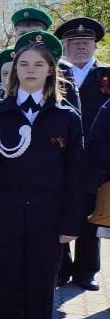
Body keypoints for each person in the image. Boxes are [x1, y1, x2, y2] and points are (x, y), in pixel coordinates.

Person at [0, 31, 83, 319]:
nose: (31, 70)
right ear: (14, 70)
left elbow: (75, 175)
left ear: (51, 71)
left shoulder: (66, 117)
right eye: (23, 64)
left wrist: (70, 222)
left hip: (48, 217)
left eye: (39, 64)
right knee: (4, 282)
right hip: (4, 213)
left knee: (39, 285)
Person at [54, 17, 107, 291]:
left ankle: (86, 272)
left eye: (86, 43)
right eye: (75, 43)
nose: (81, 48)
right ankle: (60, 269)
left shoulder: (106, 75)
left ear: (95, 46)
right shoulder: (52, 73)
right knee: (58, 213)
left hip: (95, 161)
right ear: (64, 46)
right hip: (60, 157)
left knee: (90, 216)